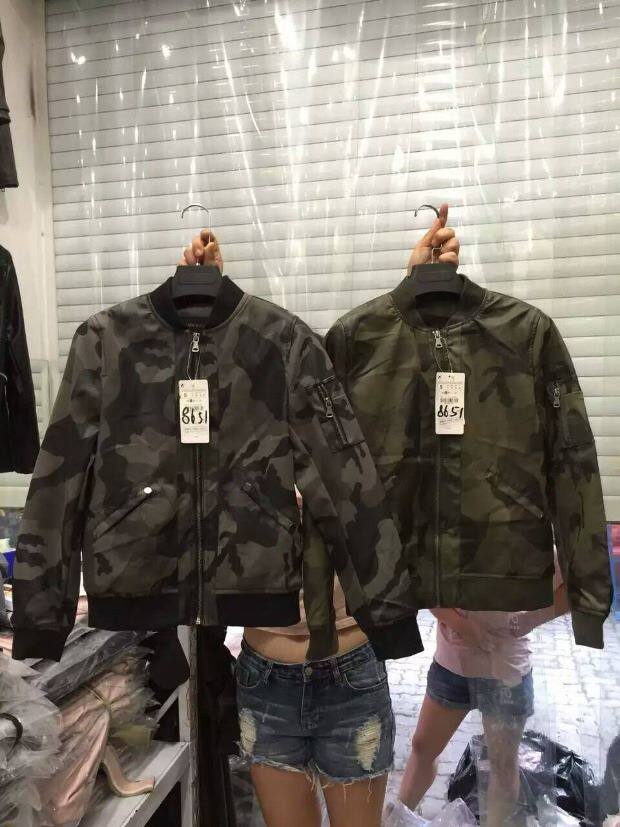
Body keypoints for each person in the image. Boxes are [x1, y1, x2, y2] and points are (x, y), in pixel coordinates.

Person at [178, 208, 460, 827]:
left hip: (351, 668)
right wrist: (205, 299)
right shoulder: (238, 441)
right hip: (265, 670)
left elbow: (406, 370)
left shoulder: (353, 436)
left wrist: (419, 285)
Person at [398, 569, 569, 827]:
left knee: (503, 765)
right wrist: (464, 626)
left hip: (507, 673)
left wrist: (530, 620)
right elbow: (423, 584)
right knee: (423, 748)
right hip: (452, 666)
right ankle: (398, 819)